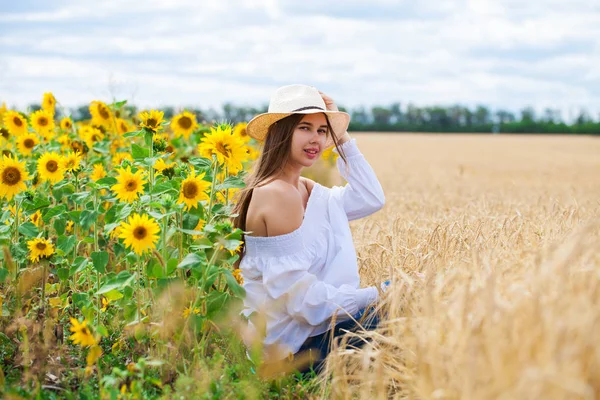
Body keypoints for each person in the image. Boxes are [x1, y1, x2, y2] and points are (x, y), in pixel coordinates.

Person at [232, 84, 388, 376]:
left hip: (313, 333)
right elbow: (302, 302)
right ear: (280, 131)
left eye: (322, 130)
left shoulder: (306, 190)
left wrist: (343, 138)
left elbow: (371, 198)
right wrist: (377, 293)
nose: (316, 139)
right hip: (292, 354)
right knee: (402, 317)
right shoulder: (277, 193)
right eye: (305, 127)